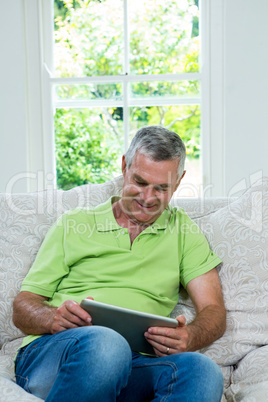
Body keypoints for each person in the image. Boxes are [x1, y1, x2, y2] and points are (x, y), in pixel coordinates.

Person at [13, 125, 226, 402]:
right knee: (107, 345)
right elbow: (23, 305)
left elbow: (213, 309)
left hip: (136, 363)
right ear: (125, 166)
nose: (147, 199)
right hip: (58, 353)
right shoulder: (75, 223)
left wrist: (191, 336)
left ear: (179, 180)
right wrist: (52, 318)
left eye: (161, 188)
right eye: (139, 182)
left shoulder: (184, 232)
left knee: (203, 371)